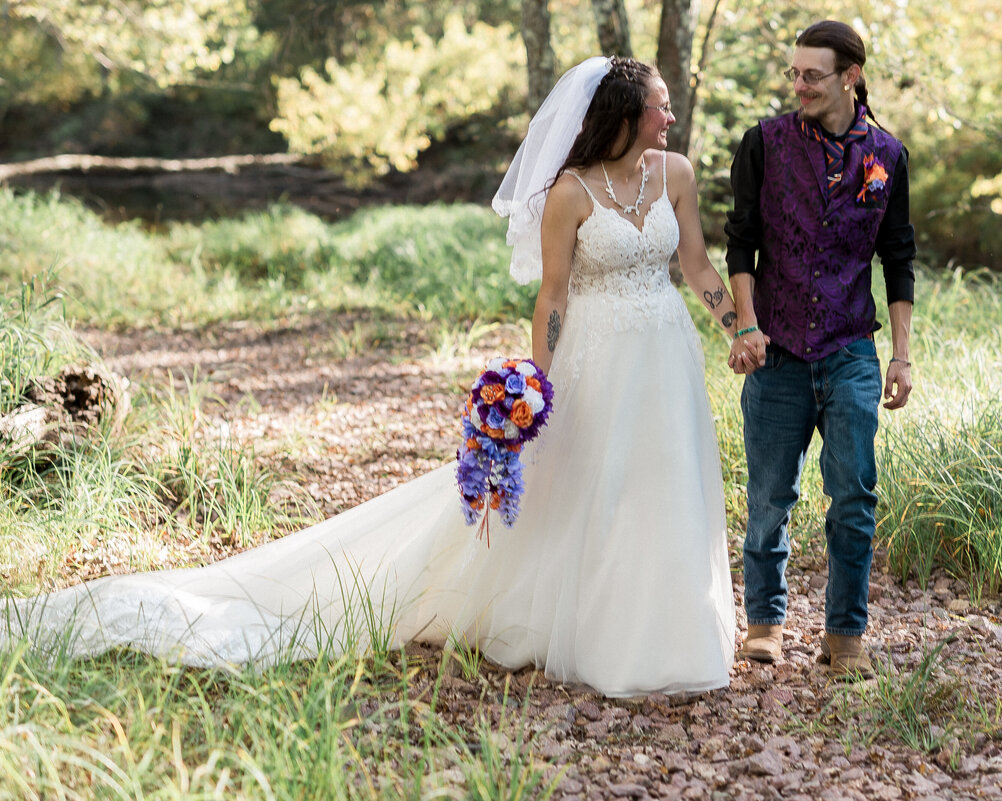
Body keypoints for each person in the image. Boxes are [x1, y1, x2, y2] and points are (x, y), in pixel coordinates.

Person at [1, 57, 739, 699]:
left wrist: (738, 325)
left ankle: (671, 633)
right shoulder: (570, 192)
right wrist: (531, 391)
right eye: (660, 104)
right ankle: (601, 632)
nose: (670, 114)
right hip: (596, 358)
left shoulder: (674, 173)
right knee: (593, 487)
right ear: (625, 114)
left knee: (664, 484)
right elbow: (552, 297)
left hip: (664, 355)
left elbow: (699, 266)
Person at [724, 21, 916, 678]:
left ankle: (845, 635)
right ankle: (766, 624)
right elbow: (741, 241)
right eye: (795, 74)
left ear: (849, 77)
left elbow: (899, 257)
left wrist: (902, 354)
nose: (799, 85)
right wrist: (745, 324)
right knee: (771, 497)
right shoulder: (764, 144)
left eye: (813, 75)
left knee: (855, 494)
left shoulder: (888, 155)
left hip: (850, 349)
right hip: (777, 351)